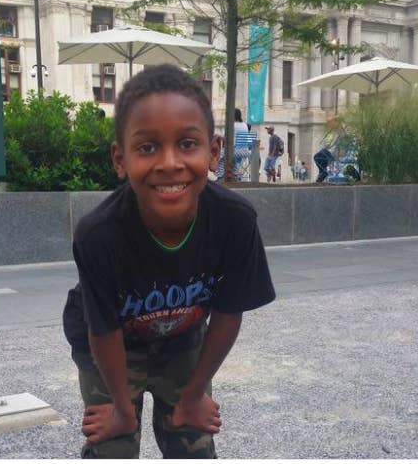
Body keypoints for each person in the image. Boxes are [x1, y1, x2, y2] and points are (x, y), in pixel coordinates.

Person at [63, 65, 275, 458]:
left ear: (213, 152)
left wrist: (193, 396)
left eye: (187, 144)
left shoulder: (234, 221)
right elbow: (103, 330)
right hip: (112, 344)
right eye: (147, 148)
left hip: (183, 336)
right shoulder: (98, 234)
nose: (169, 163)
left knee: (193, 442)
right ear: (120, 159)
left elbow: (228, 314)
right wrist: (122, 413)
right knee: (112, 446)